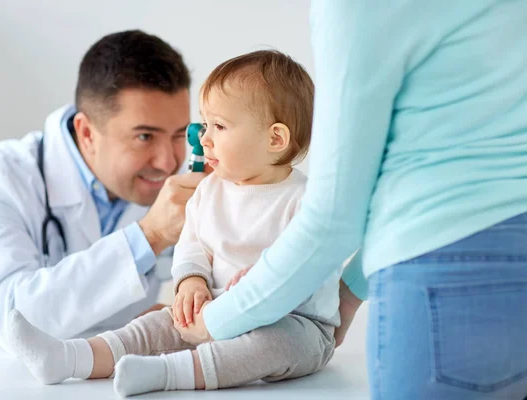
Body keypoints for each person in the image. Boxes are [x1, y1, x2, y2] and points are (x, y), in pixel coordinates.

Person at [177, 1, 527, 399]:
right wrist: (348, 293)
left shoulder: (357, 8)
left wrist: (216, 321)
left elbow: (335, 218)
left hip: (438, 273)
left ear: (277, 138)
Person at [5, 50, 340, 397]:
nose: (204, 139)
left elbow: (300, 268)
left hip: (295, 324)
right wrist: (191, 282)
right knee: (157, 323)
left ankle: (165, 373)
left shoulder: (304, 201)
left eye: (220, 127)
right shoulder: (210, 189)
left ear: (275, 139)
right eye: (205, 124)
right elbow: (192, 244)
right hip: (212, 309)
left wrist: (255, 280)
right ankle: (72, 357)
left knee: (270, 345)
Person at [0, 30, 210, 350]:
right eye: (145, 137)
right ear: (87, 133)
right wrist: (150, 235)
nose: (168, 162)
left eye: (179, 135)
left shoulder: (162, 185)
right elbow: (14, 321)